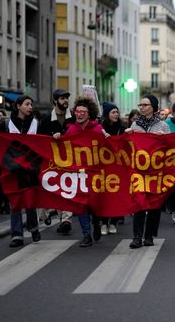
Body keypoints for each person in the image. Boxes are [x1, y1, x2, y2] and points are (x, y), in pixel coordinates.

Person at [0, 95, 42, 247]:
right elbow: (0, 144)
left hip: (30, 169)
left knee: (30, 201)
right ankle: (16, 234)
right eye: (27, 104)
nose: (30, 107)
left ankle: (33, 227)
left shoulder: (36, 124)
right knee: (15, 202)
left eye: (31, 104)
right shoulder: (6, 124)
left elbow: (42, 145)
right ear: (18, 106)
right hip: (12, 169)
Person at [65, 97, 107, 247]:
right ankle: (86, 234)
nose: (80, 114)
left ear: (89, 114)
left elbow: (107, 150)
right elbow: (63, 150)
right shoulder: (71, 130)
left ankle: (96, 222)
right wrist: (58, 138)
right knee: (81, 204)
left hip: (95, 173)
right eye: (77, 111)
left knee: (94, 204)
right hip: (78, 174)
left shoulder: (98, 129)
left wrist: (108, 139)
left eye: (83, 111)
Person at [128, 95, 169, 248]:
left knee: (154, 204)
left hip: (156, 172)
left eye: (145, 105)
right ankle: (137, 237)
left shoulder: (163, 126)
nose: (142, 107)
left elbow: (171, 148)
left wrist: (164, 139)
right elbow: (128, 147)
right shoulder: (134, 125)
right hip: (139, 171)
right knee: (139, 202)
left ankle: (150, 235)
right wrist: (127, 136)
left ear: (153, 107)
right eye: (141, 105)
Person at [38, 89, 75, 234]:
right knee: (56, 189)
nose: (65, 100)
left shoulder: (73, 118)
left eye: (66, 98)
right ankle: (58, 215)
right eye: (62, 98)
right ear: (55, 101)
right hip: (52, 161)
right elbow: (39, 139)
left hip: (71, 160)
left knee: (67, 188)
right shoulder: (46, 120)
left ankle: (66, 219)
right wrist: (51, 137)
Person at [99, 102, 130, 235]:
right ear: (107, 114)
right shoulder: (100, 128)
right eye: (113, 112)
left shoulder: (122, 127)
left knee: (118, 195)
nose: (116, 114)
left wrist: (127, 135)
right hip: (104, 166)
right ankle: (104, 223)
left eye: (117, 112)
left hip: (119, 166)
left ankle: (113, 223)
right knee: (105, 195)